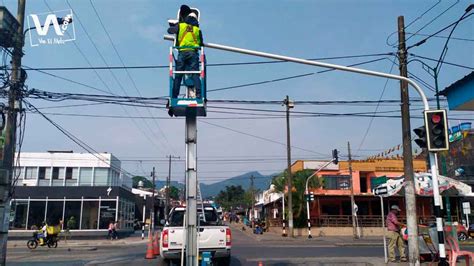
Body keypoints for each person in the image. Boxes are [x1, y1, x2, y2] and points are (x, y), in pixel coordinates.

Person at [167, 11, 204, 101]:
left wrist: (174, 26)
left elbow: (170, 31)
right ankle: (199, 95)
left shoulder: (181, 26)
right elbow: (201, 43)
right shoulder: (197, 30)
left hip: (182, 53)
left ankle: (174, 96)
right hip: (193, 53)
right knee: (195, 74)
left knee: (178, 76)